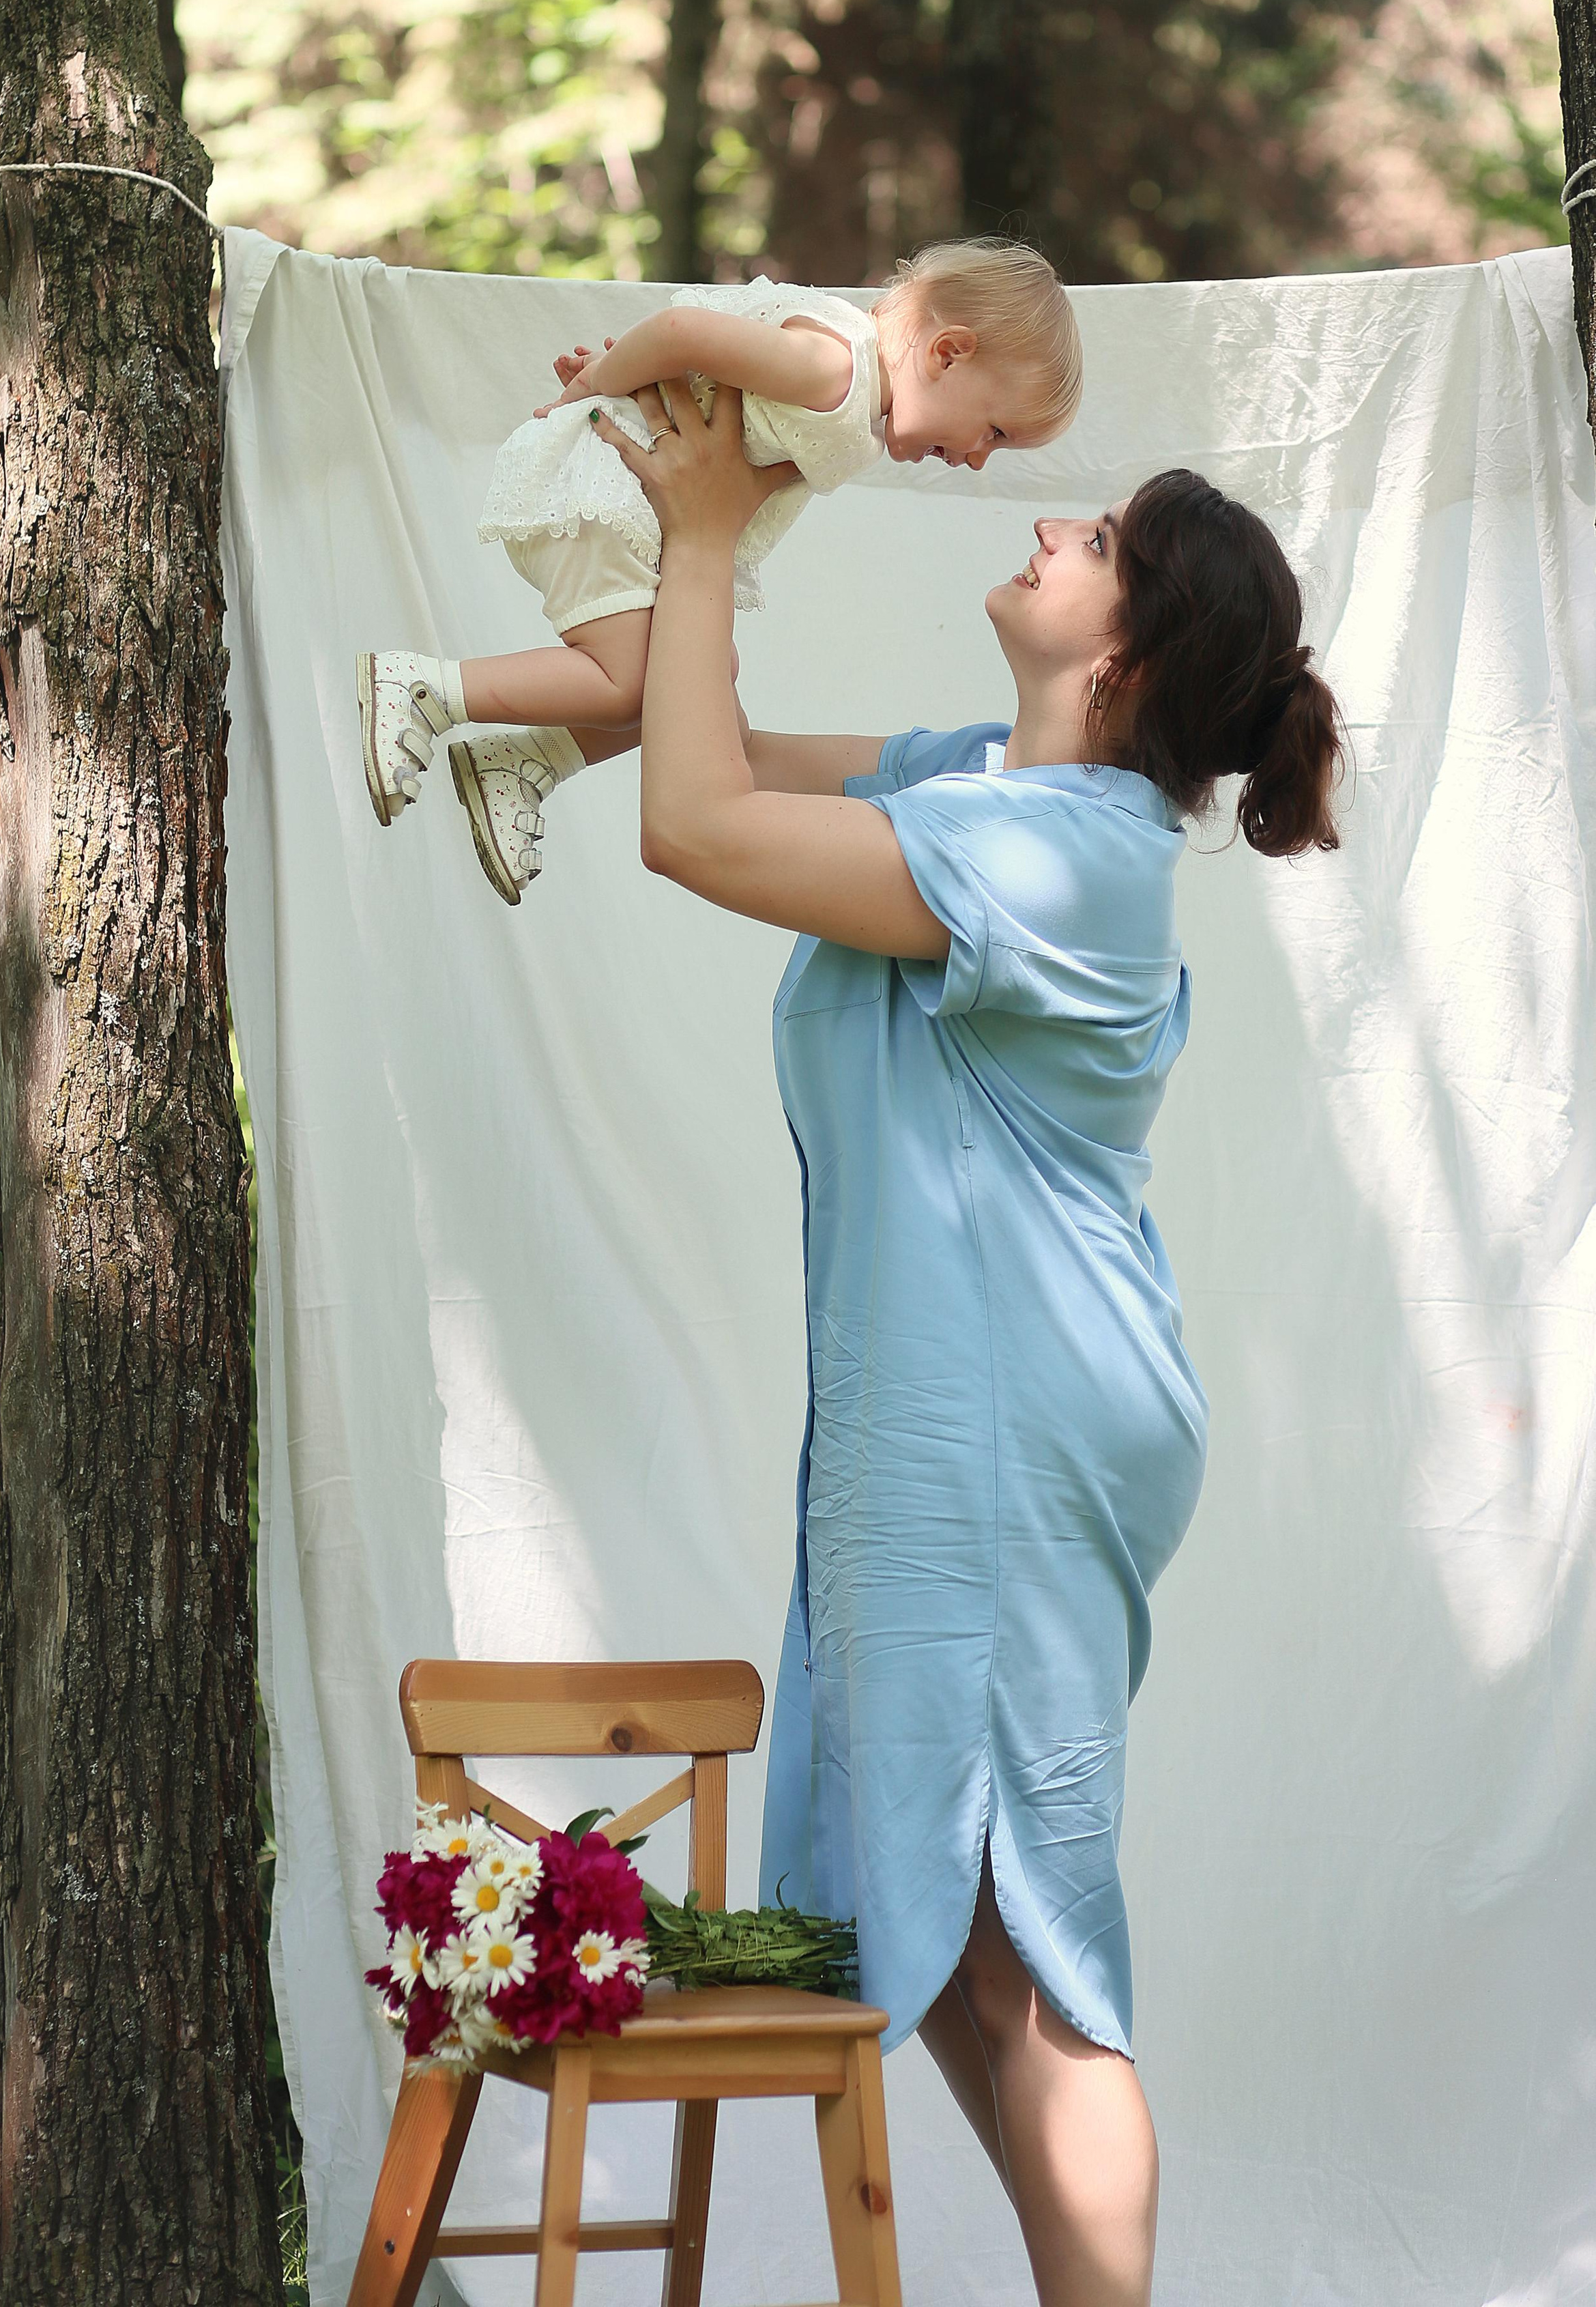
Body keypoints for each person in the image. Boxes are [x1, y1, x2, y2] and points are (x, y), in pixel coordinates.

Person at [596, 379, 1346, 2307]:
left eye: (1092, 541)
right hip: (940, 1413)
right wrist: (608, 581)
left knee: (1028, 1954)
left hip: (1010, 1422)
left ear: (1131, 655)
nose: (1044, 527)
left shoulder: (1067, 854)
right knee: (909, 1927)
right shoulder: (972, 783)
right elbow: (704, 739)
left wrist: (702, 536)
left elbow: (693, 823)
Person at [354, 236, 1082, 902]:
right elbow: (682, 333)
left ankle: (523, 763)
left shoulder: (854, 386)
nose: (979, 459)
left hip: (640, 507)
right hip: (601, 493)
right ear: (948, 353)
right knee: (633, 681)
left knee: (701, 681)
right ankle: (426, 688)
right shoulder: (835, 369)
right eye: (994, 431)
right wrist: (599, 381)